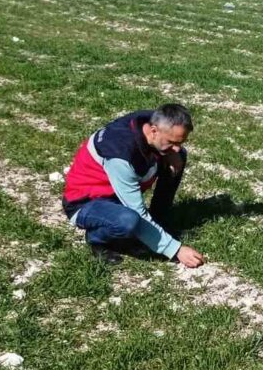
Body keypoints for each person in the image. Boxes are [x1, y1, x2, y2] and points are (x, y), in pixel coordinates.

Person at [61, 104, 205, 268]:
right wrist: (176, 250)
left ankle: (160, 218)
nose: (176, 148)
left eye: (180, 142)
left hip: (117, 193)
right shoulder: (120, 154)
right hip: (86, 202)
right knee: (128, 221)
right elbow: (137, 211)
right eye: (171, 142)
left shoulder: (152, 122)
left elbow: (173, 149)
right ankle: (97, 238)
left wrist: (172, 152)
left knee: (178, 157)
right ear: (153, 131)